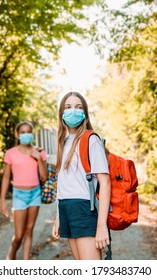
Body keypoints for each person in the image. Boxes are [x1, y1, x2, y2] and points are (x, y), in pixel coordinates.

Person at [52, 91, 111, 260]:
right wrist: (58, 216)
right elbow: (64, 183)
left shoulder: (91, 140)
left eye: (78, 107)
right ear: (62, 113)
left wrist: (101, 226)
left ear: (84, 113)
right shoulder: (63, 142)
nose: (73, 111)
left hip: (83, 208)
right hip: (66, 208)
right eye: (68, 107)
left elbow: (105, 183)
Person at [0, 121, 48, 260]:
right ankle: (11, 253)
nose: (26, 135)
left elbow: (44, 177)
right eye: (23, 132)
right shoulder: (10, 153)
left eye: (29, 132)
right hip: (19, 195)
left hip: (35, 194)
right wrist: (2, 201)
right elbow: (6, 177)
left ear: (32, 134)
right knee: (19, 235)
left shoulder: (40, 152)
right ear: (17, 135)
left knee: (29, 231)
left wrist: (38, 158)